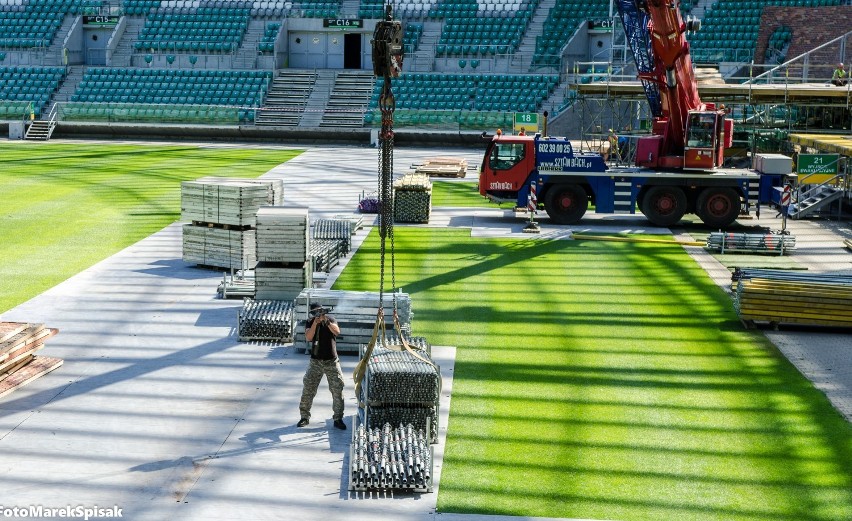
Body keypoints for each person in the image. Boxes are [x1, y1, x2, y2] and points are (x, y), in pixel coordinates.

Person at [297, 303, 346, 430]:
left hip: (331, 361)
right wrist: (315, 323)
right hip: (316, 362)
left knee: (337, 390)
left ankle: (338, 418)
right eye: (315, 313)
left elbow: (337, 332)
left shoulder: (331, 319)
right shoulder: (310, 322)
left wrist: (326, 321)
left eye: (319, 312)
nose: (317, 315)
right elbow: (308, 337)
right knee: (308, 389)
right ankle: (304, 417)